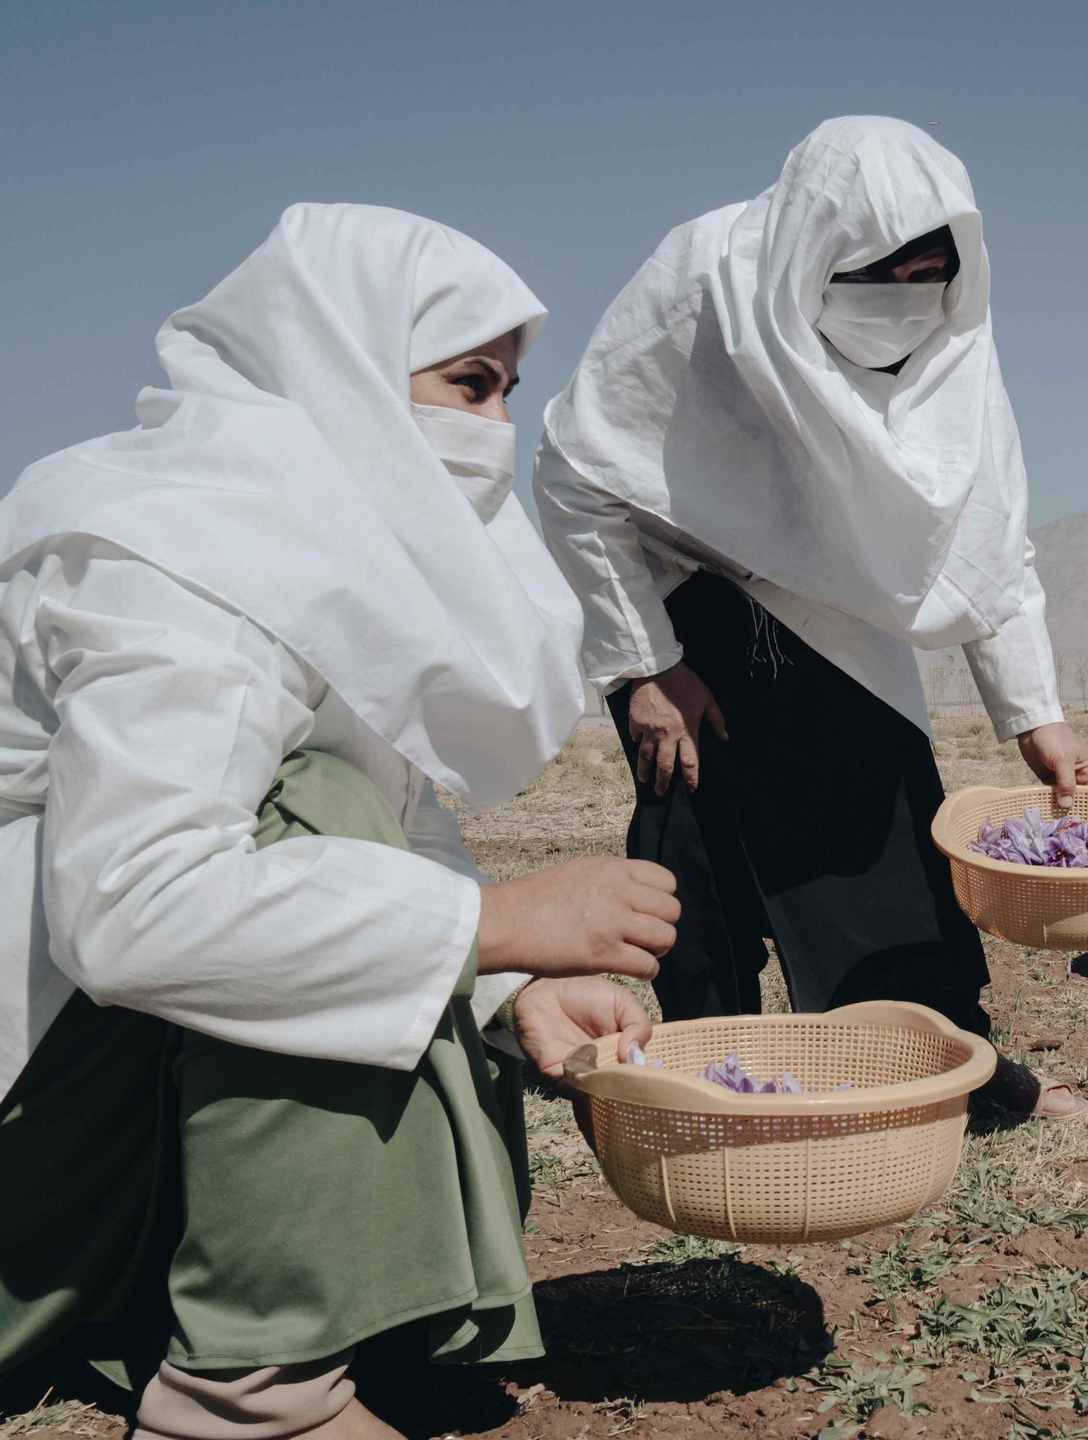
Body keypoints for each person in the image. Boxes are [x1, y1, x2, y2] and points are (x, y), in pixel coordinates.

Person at [0, 204, 682, 1440]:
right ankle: (249, 1400)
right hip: (25, 1134)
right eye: (466, 386)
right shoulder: (175, 547)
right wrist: (495, 919)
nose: (493, 432)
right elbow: (136, 907)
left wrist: (504, 985)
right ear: (340, 362)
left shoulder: (308, 556)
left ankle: (253, 1319)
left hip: (80, 1120)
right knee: (314, 815)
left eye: (506, 394)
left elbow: (389, 811)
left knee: (337, 813)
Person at [536, 116, 1088, 1117]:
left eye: (930, 277)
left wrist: (1035, 713)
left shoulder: (954, 337)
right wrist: (644, 669)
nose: (906, 308)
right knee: (694, 859)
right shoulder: (701, 290)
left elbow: (985, 536)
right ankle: (699, 1088)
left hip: (843, 620)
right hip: (681, 608)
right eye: (878, 280)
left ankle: (946, 1083)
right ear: (809, 259)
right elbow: (579, 475)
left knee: (883, 846)